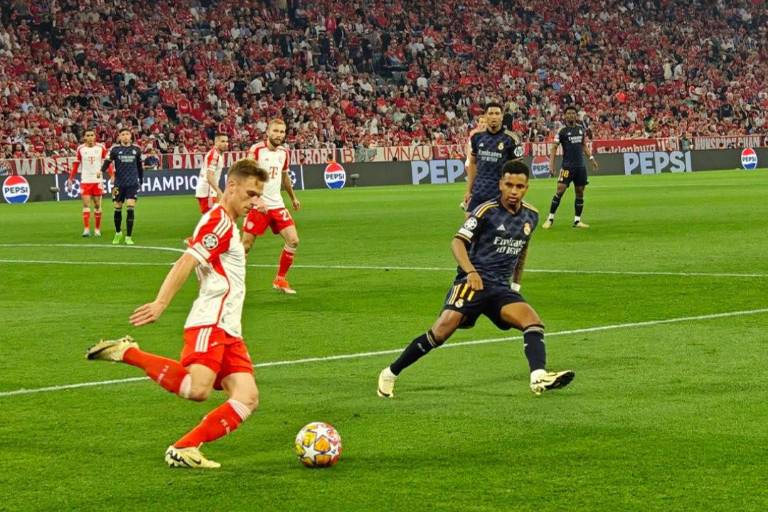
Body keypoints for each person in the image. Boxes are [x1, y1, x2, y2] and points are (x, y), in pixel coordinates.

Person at [86, 159, 269, 469]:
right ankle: (129, 353)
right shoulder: (219, 223)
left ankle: (184, 448)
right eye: (251, 194)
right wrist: (160, 303)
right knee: (198, 390)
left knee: (247, 397)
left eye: (258, 195)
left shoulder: (225, 221)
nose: (255, 201)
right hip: (211, 321)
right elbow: (186, 261)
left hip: (229, 327)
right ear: (232, 186)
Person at [377, 160, 575, 398]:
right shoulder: (485, 211)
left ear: (526, 188)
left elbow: (522, 250)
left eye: (519, 186)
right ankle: (390, 373)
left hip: (500, 288)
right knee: (440, 333)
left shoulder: (531, 215)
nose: (514, 191)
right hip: (472, 283)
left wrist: (516, 284)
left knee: (533, 322)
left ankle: (538, 376)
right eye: (509, 185)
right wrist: (471, 272)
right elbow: (457, 242)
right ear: (500, 184)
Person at [243, 119, 301, 294]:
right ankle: (231, 281)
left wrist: (293, 198)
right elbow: (246, 177)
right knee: (245, 246)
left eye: (282, 132)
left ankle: (280, 279)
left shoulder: (284, 152)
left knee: (293, 240)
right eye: (275, 131)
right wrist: (255, 199)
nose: (279, 135)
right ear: (267, 132)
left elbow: (284, 177)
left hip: (277, 205)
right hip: (258, 206)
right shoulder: (256, 150)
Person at [543, 106, 599, 229]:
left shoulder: (580, 129)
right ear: (565, 115)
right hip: (567, 167)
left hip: (580, 167)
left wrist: (591, 158)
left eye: (573, 113)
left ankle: (577, 221)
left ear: (576, 115)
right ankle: (550, 219)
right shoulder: (562, 131)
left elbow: (583, 145)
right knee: (560, 190)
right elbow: (554, 148)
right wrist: (551, 164)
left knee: (580, 192)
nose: (571, 115)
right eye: (568, 113)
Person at [464, 102, 524, 214]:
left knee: (499, 225)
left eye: (497, 113)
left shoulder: (511, 139)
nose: (494, 116)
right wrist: (469, 191)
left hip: (500, 195)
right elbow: (472, 163)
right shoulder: (477, 137)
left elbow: (518, 169)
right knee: (469, 221)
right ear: (485, 116)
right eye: (491, 113)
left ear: (502, 117)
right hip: (478, 193)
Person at [100, 128, 144, 245]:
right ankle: (118, 232)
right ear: (119, 137)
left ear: (131, 136)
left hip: (132, 183)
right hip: (119, 183)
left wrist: (141, 179)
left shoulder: (136, 149)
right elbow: (107, 161)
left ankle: (128, 236)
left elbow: (139, 166)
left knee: (130, 207)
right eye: (123, 134)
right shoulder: (115, 149)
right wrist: (101, 171)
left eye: (127, 134)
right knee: (117, 207)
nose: (125, 136)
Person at [67, 129, 108, 237]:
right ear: (84, 137)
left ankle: (97, 229)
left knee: (97, 205)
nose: (90, 137)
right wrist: (71, 178)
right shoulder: (80, 148)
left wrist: (112, 175)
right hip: (85, 180)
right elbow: (76, 164)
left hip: (97, 180)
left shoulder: (101, 148)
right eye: (88, 135)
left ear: (95, 136)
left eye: (92, 135)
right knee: (86, 204)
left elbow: (107, 163)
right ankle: (86, 229)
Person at [194, 133, 228, 213]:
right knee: (211, 215)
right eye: (222, 141)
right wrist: (218, 191)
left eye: (226, 141)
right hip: (208, 192)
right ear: (216, 142)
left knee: (214, 215)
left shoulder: (217, 154)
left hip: (209, 191)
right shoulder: (214, 155)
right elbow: (209, 175)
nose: (226, 144)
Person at [459, 114, 486, 210]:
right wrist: (470, 161)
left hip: (476, 163)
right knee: (476, 184)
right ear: (478, 123)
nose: (483, 124)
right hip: (472, 164)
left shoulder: (485, 134)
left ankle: (466, 202)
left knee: (476, 185)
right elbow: (470, 150)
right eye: (481, 122)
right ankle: (468, 203)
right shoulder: (474, 134)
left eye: (484, 122)